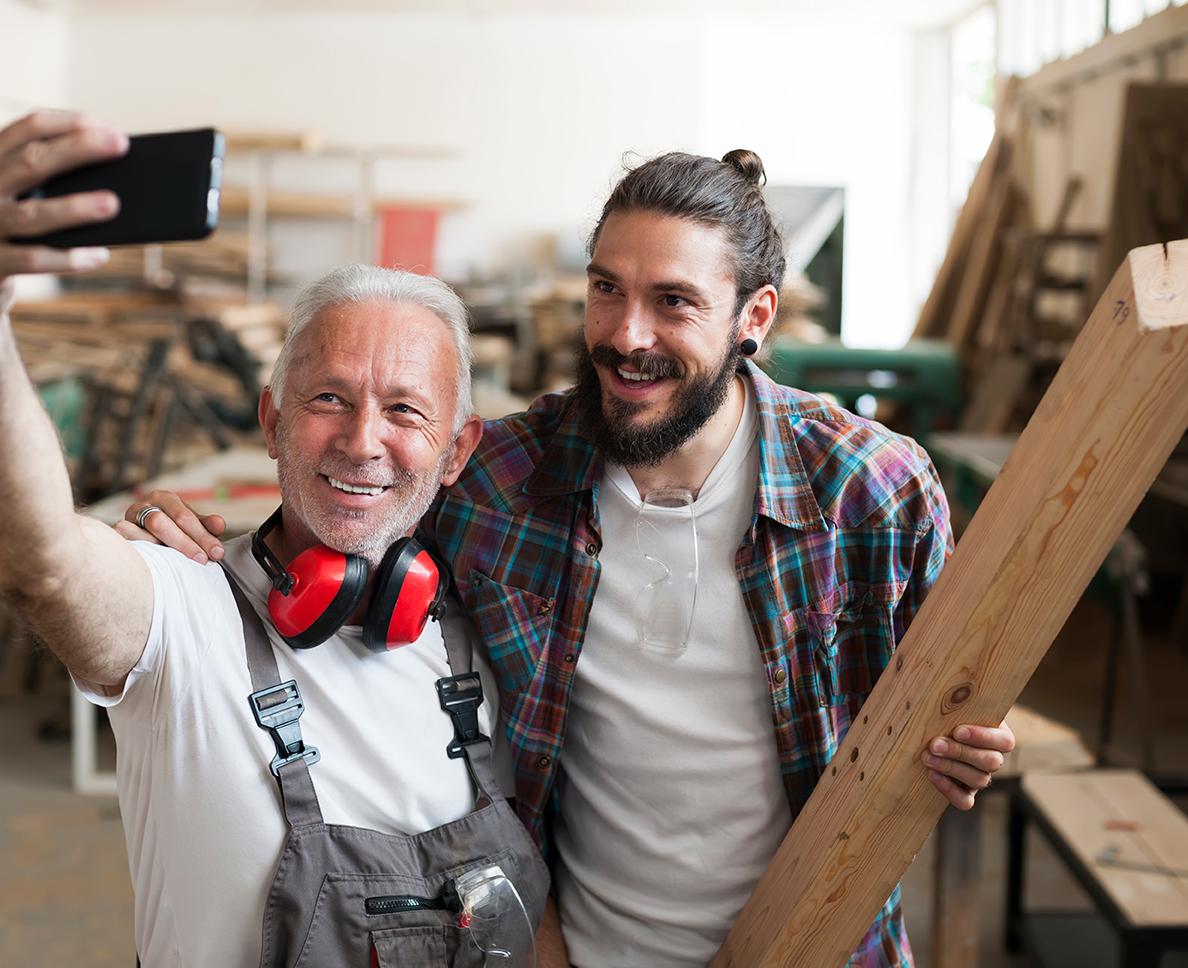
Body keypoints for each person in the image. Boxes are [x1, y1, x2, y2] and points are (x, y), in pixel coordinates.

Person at [135, 149, 1014, 967]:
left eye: (673, 301)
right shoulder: (502, 481)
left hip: (821, 945)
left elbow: (946, 707)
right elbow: (349, 509)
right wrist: (186, 551)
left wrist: (968, 746)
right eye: (607, 290)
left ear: (755, 317)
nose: (626, 335)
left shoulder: (872, 493)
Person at [0, 111, 548, 968]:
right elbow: (33, 558)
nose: (363, 441)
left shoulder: (494, 637)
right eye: (328, 398)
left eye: (405, 409)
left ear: (456, 454)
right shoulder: (183, 612)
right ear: (271, 421)